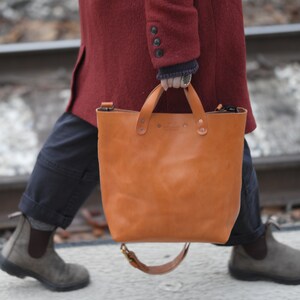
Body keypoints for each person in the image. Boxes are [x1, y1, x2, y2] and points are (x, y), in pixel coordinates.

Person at [1, 0, 300, 292]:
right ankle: (254, 249)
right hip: (158, 18)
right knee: (216, 124)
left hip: (128, 15)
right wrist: (173, 43)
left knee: (103, 116)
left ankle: (33, 242)